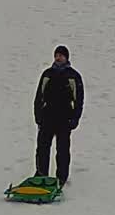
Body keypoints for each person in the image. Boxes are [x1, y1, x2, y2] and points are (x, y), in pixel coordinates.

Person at [33, 45, 84, 186]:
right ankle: (41, 173)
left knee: (62, 149)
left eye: (61, 55)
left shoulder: (73, 76)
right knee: (42, 147)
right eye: (56, 55)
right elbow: (39, 96)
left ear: (66, 57)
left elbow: (78, 100)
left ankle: (61, 177)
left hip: (64, 119)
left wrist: (75, 119)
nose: (58, 57)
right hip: (47, 117)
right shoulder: (47, 74)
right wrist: (38, 115)